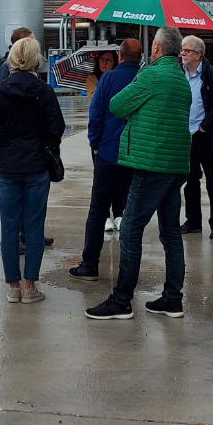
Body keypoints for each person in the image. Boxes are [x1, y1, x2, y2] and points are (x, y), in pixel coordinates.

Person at [85, 26, 192, 321]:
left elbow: (117, 105)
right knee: (170, 231)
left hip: (150, 162)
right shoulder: (181, 79)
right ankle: (173, 298)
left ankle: (122, 299)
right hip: (176, 163)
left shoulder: (150, 76)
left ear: (157, 49)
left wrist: (136, 112)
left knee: (130, 229)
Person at [0, 37, 66, 305]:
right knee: (34, 226)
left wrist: (3, 146)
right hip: (36, 165)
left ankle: (13, 286)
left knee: (9, 227)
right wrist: (44, 145)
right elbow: (57, 129)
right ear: (36, 60)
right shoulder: (44, 91)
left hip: (8, 167)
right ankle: (31, 286)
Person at [70, 38, 142, 280]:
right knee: (132, 212)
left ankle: (90, 264)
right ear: (140, 57)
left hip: (108, 153)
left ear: (120, 57)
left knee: (98, 209)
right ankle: (130, 270)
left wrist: (95, 144)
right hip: (136, 153)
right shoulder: (145, 78)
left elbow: (97, 114)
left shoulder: (108, 79)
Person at [180, 34, 213, 238]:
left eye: (188, 50)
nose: (183, 53)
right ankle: (193, 222)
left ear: (198, 55)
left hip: (204, 134)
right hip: (184, 134)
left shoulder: (210, 74)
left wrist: (205, 126)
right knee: (189, 179)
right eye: (182, 49)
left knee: (212, 179)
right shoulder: (177, 72)